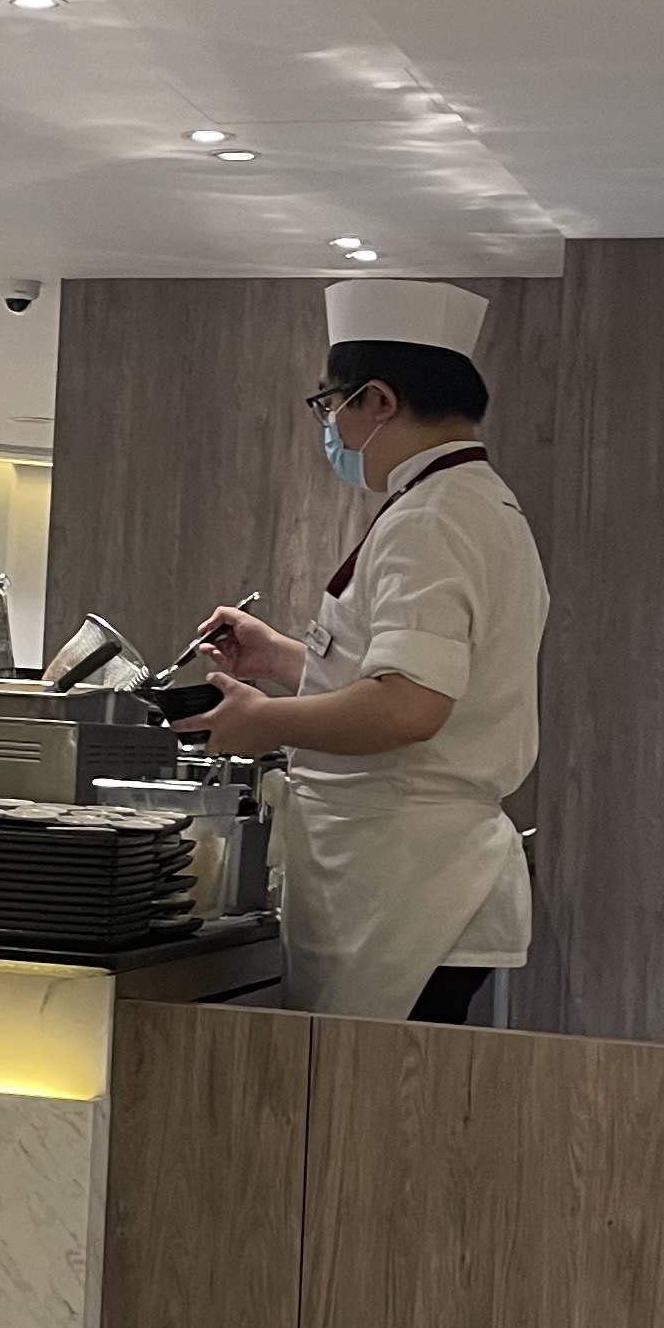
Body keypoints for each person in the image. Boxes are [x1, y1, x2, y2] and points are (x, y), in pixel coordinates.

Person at [176, 278, 548, 1023]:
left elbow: (409, 707)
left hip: (406, 886)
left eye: (331, 404)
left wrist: (267, 723)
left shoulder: (433, 519)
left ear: (377, 401)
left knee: (365, 1121)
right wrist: (282, 660)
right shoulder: (469, 503)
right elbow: (401, 675)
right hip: (414, 874)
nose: (332, 428)